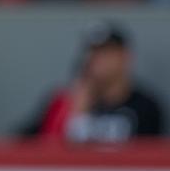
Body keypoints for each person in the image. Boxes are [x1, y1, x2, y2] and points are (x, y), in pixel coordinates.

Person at [19, 22, 164, 140]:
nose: (98, 60)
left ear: (125, 57)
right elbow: (28, 143)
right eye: (93, 53)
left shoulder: (145, 107)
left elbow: (147, 158)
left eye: (106, 53)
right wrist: (73, 113)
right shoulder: (64, 101)